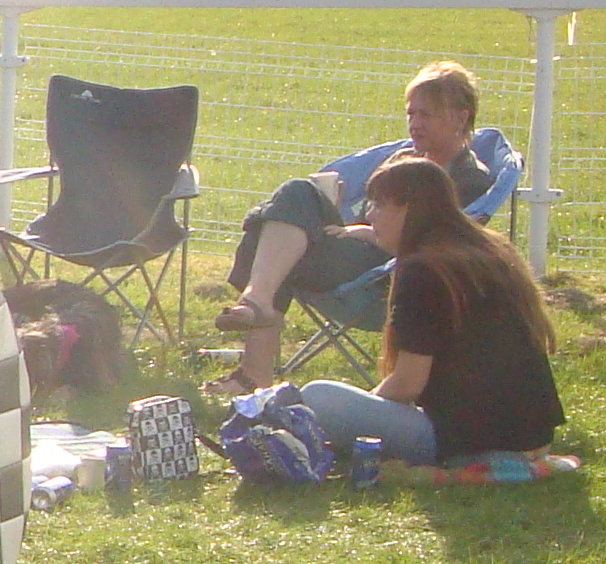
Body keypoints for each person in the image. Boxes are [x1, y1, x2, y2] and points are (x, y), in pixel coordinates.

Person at [215, 60, 494, 386]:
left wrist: (366, 233)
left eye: (426, 115)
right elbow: (372, 213)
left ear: (460, 118)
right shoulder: (404, 159)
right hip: (355, 249)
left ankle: (254, 362)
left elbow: (438, 245)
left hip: (383, 272)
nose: (415, 123)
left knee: (275, 233)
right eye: (411, 113)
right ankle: (257, 309)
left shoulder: (468, 179)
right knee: (293, 205)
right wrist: (337, 212)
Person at [275, 153, 561, 466]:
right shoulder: (488, 250)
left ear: (410, 209)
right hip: (533, 435)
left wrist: (367, 411)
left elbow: (408, 384)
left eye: (379, 205)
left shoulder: (423, 270)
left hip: (467, 440)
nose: (370, 215)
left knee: (318, 398)